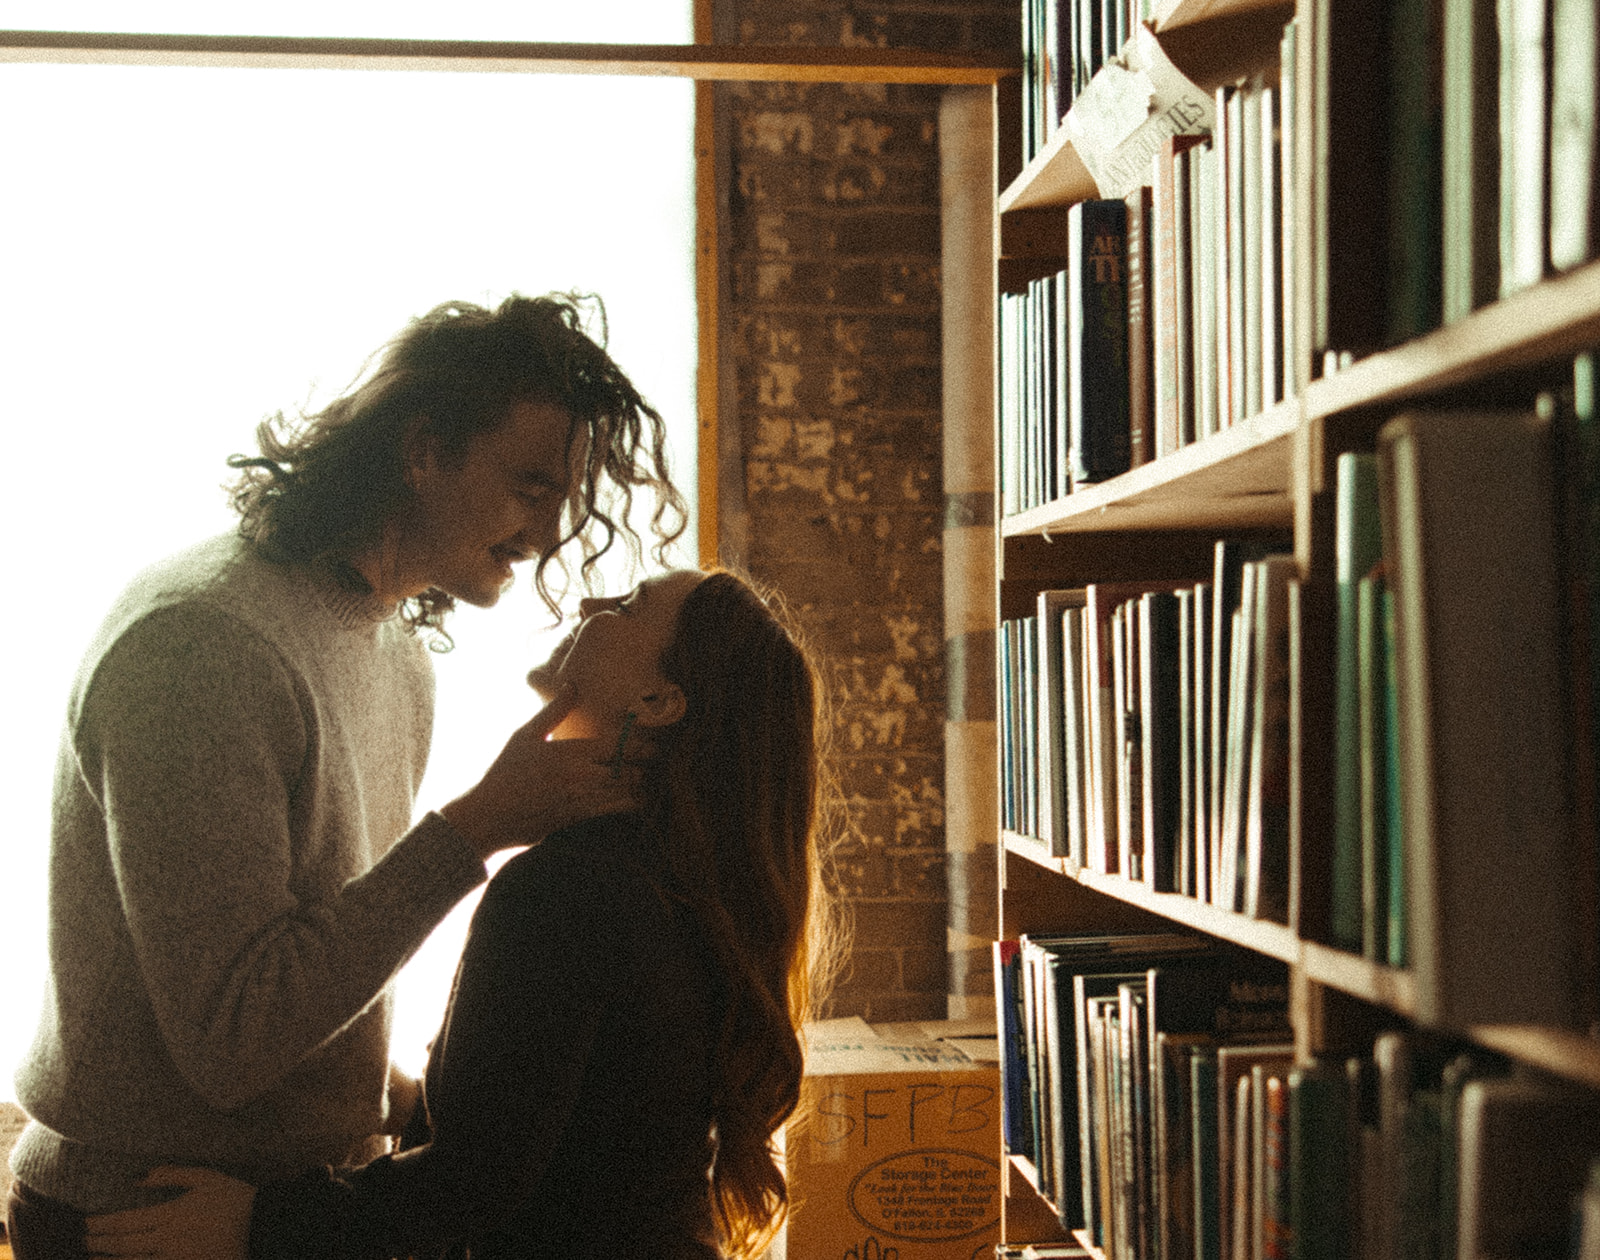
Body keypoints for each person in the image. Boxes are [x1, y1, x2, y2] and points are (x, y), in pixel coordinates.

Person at [6, 293, 689, 1259]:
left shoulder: (394, 652)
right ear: (424, 453)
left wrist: (413, 1109)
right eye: (531, 482)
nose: (551, 527)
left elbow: (313, 959)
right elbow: (234, 1038)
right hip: (143, 1221)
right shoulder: (201, 645)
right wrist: (476, 827)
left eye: (566, 493)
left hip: (280, 1210)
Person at [83, 567, 842, 1260]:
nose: (588, 604)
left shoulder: (566, 887)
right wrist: (405, 1092)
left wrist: (258, 1224)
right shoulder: (676, 884)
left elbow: (474, 1184)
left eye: (628, 606)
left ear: (658, 700)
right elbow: (582, 1129)